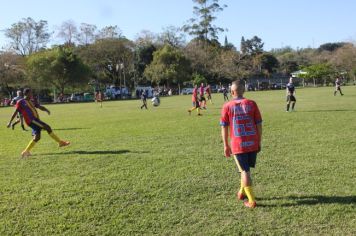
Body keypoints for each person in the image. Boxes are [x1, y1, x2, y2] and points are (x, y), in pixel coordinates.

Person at [220, 80, 262, 208]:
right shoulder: (252, 104)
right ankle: (241, 192)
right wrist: (258, 141)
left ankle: (252, 201)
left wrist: (226, 145)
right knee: (244, 170)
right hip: (252, 142)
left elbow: (224, 127)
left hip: (238, 144)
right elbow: (259, 125)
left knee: (244, 171)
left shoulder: (227, 106)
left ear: (232, 92)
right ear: (244, 90)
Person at [7, 88, 70, 158]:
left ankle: (26, 152)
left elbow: (39, 107)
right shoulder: (21, 102)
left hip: (35, 120)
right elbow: (15, 112)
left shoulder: (31, 101)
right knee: (47, 127)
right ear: (26, 94)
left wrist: (46, 110)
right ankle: (60, 142)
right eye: (30, 93)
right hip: (31, 120)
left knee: (37, 137)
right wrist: (10, 122)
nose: (32, 94)